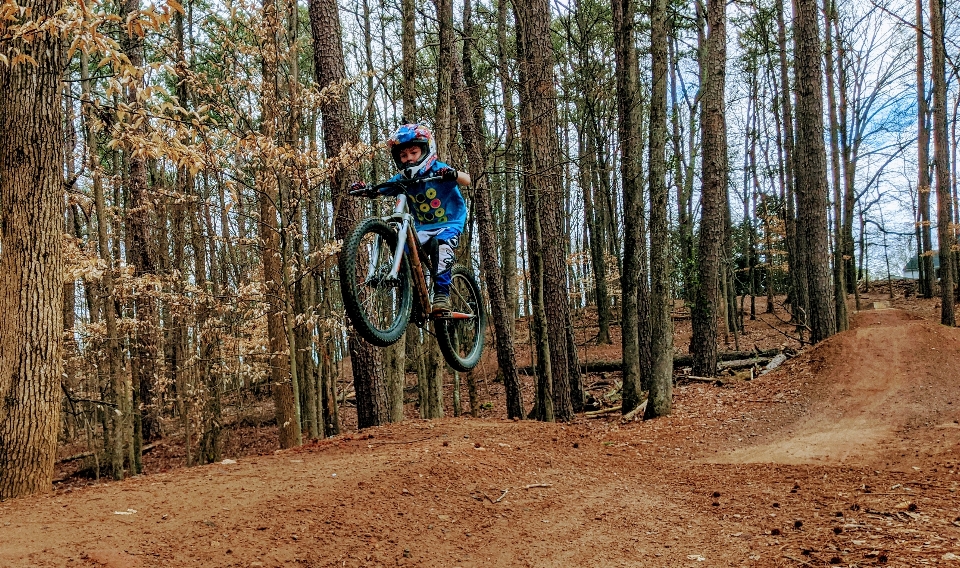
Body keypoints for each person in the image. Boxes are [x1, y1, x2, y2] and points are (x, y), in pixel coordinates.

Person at [351, 123, 471, 310]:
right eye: (403, 156)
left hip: (449, 223)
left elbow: (466, 179)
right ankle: (414, 297)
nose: (408, 159)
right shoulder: (403, 179)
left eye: (413, 153)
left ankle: (441, 295)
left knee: (442, 249)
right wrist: (368, 190)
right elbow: (384, 188)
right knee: (406, 255)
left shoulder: (438, 170)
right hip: (423, 228)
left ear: (426, 150)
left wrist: (452, 174)